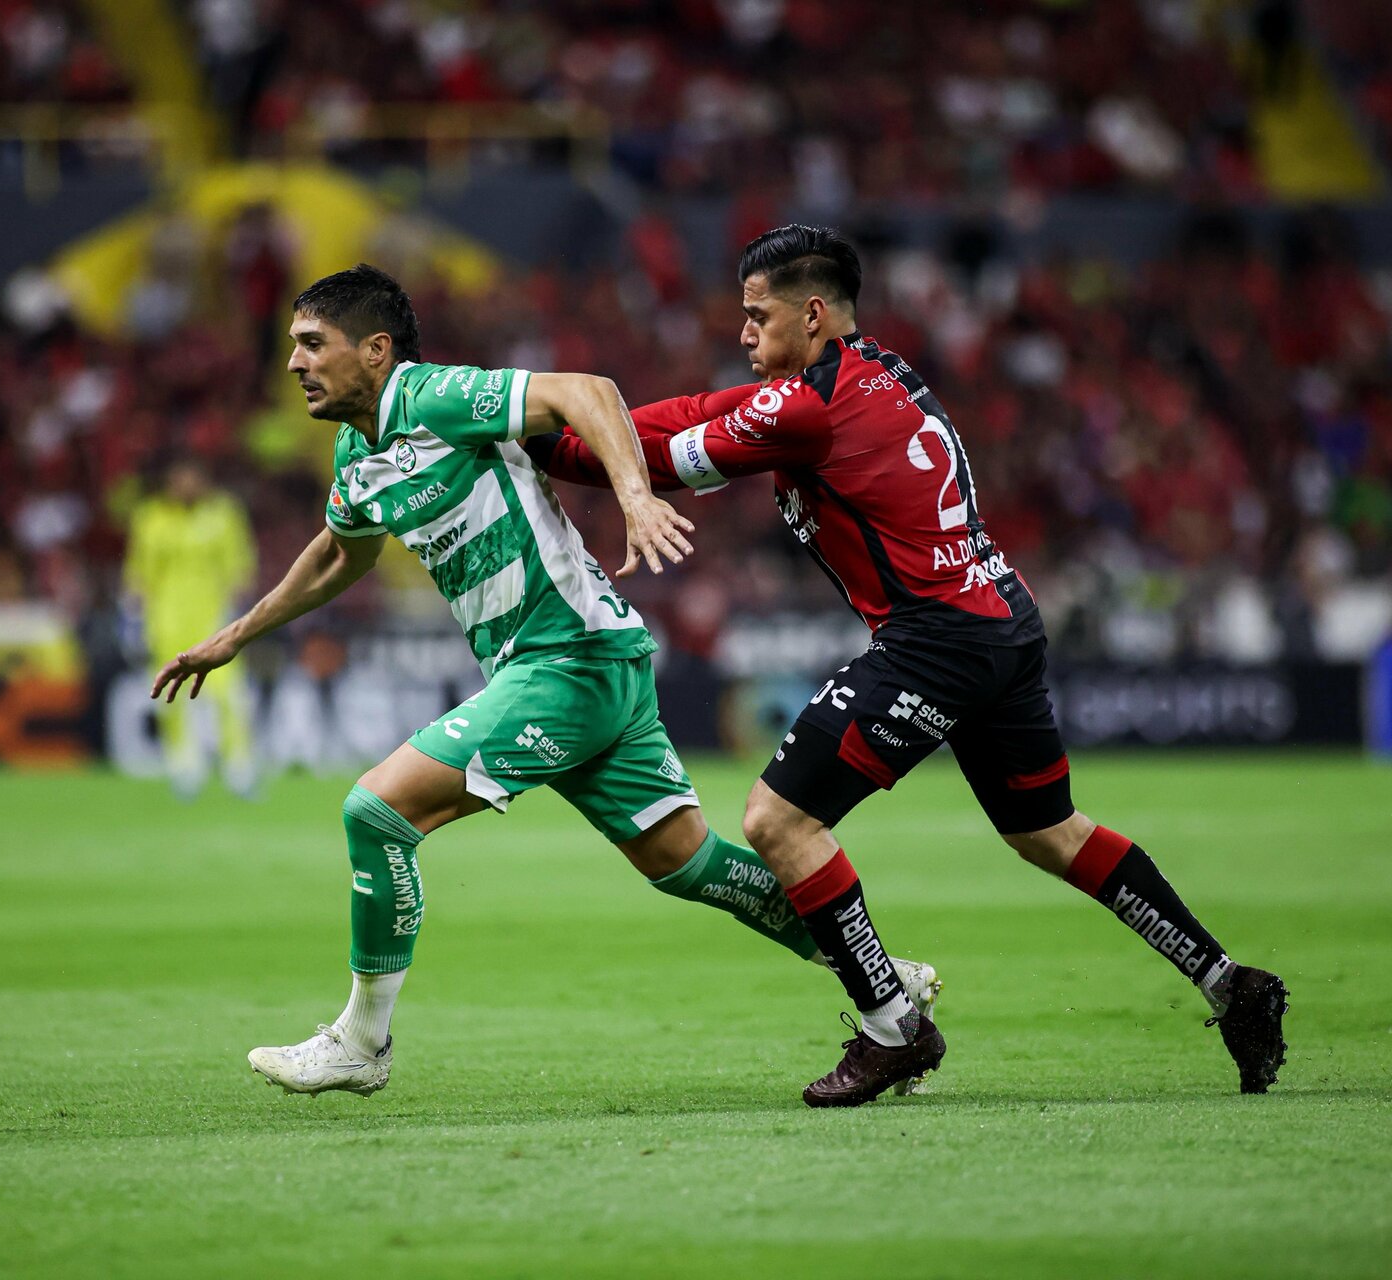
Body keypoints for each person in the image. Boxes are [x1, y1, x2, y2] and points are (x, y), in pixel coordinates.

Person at [530, 225, 1288, 1105]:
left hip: (938, 640)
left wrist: (535, 435)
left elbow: (660, 456)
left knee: (778, 821)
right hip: (1002, 617)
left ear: (813, 315)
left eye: (757, 316)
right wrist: (570, 414)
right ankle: (1229, 983)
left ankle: (893, 1027)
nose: (743, 332)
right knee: (1049, 832)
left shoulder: (804, 410)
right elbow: (694, 410)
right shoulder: (880, 372)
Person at [151, 264, 938, 1100]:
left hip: (565, 661)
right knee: (687, 863)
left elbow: (586, 392)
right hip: (594, 660)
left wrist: (634, 497)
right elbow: (340, 553)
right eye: (293, 346)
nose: (295, 363)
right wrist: (233, 637)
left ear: (375, 351)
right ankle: (884, 981)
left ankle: (360, 1042)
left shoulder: (431, 396)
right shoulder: (358, 449)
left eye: (313, 344)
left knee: (376, 813)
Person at [125, 456, 260, 798]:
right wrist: (134, 617)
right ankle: (185, 765)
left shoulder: (223, 514)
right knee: (171, 693)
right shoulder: (151, 518)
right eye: (179, 480)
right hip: (166, 620)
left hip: (214, 619)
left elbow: (240, 564)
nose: (186, 486)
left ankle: (238, 765)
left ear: (203, 481)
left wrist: (239, 611)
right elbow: (140, 572)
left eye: (192, 479)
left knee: (228, 693)